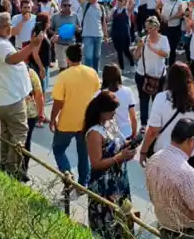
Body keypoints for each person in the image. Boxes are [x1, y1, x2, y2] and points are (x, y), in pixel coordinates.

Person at [0, 11, 40, 180]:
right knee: (19, 134)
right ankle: (13, 171)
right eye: (8, 26)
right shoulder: (0, 45)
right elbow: (13, 59)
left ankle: (5, 166)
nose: (11, 28)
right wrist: (31, 46)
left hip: (3, 99)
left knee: (7, 134)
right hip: (11, 100)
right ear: (0, 28)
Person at [140, 63, 194, 184]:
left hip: (165, 155)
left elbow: (152, 131)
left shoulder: (161, 98)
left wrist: (143, 151)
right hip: (192, 155)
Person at [145, 119, 194, 239]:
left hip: (164, 229)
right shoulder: (186, 173)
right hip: (188, 234)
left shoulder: (153, 160)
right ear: (191, 141)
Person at [84, 91, 136, 239]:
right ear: (102, 111)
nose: (114, 114)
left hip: (119, 180)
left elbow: (118, 142)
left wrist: (130, 144)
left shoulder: (110, 123)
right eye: (112, 111)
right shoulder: (95, 132)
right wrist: (119, 157)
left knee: (123, 221)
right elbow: (96, 163)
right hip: (104, 184)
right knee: (107, 226)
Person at [49, 43, 100, 187]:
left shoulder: (64, 76)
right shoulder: (92, 72)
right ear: (81, 57)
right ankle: (83, 183)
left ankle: (67, 172)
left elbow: (58, 102)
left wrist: (53, 119)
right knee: (83, 154)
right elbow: (96, 93)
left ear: (67, 58)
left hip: (67, 122)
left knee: (58, 149)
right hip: (86, 122)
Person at [134, 16, 170, 127]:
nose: (148, 31)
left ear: (156, 27)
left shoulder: (163, 39)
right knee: (143, 101)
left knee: (157, 101)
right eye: (146, 28)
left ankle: (156, 124)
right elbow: (136, 56)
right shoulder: (144, 39)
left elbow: (166, 54)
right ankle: (144, 125)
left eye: (150, 28)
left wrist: (152, 48)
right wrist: (139, 47)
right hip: (143, 75)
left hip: (158, 76)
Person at [100, 63, 138, 140]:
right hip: (127, 132)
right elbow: (133, 117)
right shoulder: (128, 91)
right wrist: (134, 133)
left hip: (108, 135)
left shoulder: (99, 94)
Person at [80, 0, 108, 71]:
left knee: (96, 57)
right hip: (87, 35)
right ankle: (88, 75)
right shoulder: (86, 5)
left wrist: (106, 35)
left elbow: (103, 23)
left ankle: (95, 74)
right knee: (88, 57)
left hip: (98, 36)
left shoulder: (101, 8)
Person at [50, 0, 80, 72]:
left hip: (71, 44)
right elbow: (49, 29)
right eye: (65, 5)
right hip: (60, 44)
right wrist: (55, 34)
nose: (67, 7)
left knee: (72, 67)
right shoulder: (55, 16)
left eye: (69, 5)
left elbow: (79, 28)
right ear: (61, 6)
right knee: (63, 67)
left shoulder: (74, 16)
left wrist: (78, 29)